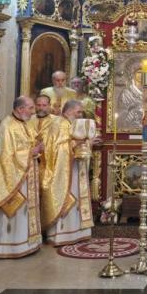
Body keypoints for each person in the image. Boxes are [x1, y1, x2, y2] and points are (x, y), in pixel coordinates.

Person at [0, 96, 44, 258]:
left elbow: (29, 142)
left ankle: (27, 244)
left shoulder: (25, 123)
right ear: (20, 109)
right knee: (14, 209)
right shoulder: (7, 126)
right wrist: (32, 151)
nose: (33, 111)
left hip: (26, 175)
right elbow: (6, 156)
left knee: (24, 211)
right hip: (12, 178)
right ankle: (9, 248)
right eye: (30, 108)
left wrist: (37, 145)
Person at [41, 100, 95, 245]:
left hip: (75, 169)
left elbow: (75, 144)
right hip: (63, 173)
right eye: (78, 112)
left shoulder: (70, 124)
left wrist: (87, 142)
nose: (80, 115)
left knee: (77, 198)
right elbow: (55, 149)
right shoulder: (59, 124)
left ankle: (77, 232)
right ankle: (62, 235)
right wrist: (76, 143)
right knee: (67, 198)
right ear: (69, 111)